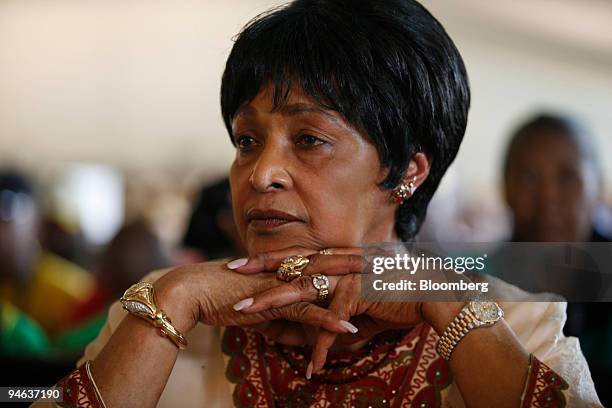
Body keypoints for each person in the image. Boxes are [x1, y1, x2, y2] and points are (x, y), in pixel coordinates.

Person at [42, 1, 601, 407]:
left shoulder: (517, 325)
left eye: (309, 139)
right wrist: (178, 294)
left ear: (408, 169)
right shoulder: (161, 316)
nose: (260, 174)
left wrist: (448, 308)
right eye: (246, 140)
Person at [503, 113, 612, 403]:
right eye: (529, 177)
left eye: (567, 177)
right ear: (505, 186)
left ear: (598, 187)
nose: (548, 197)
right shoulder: (474, 282)